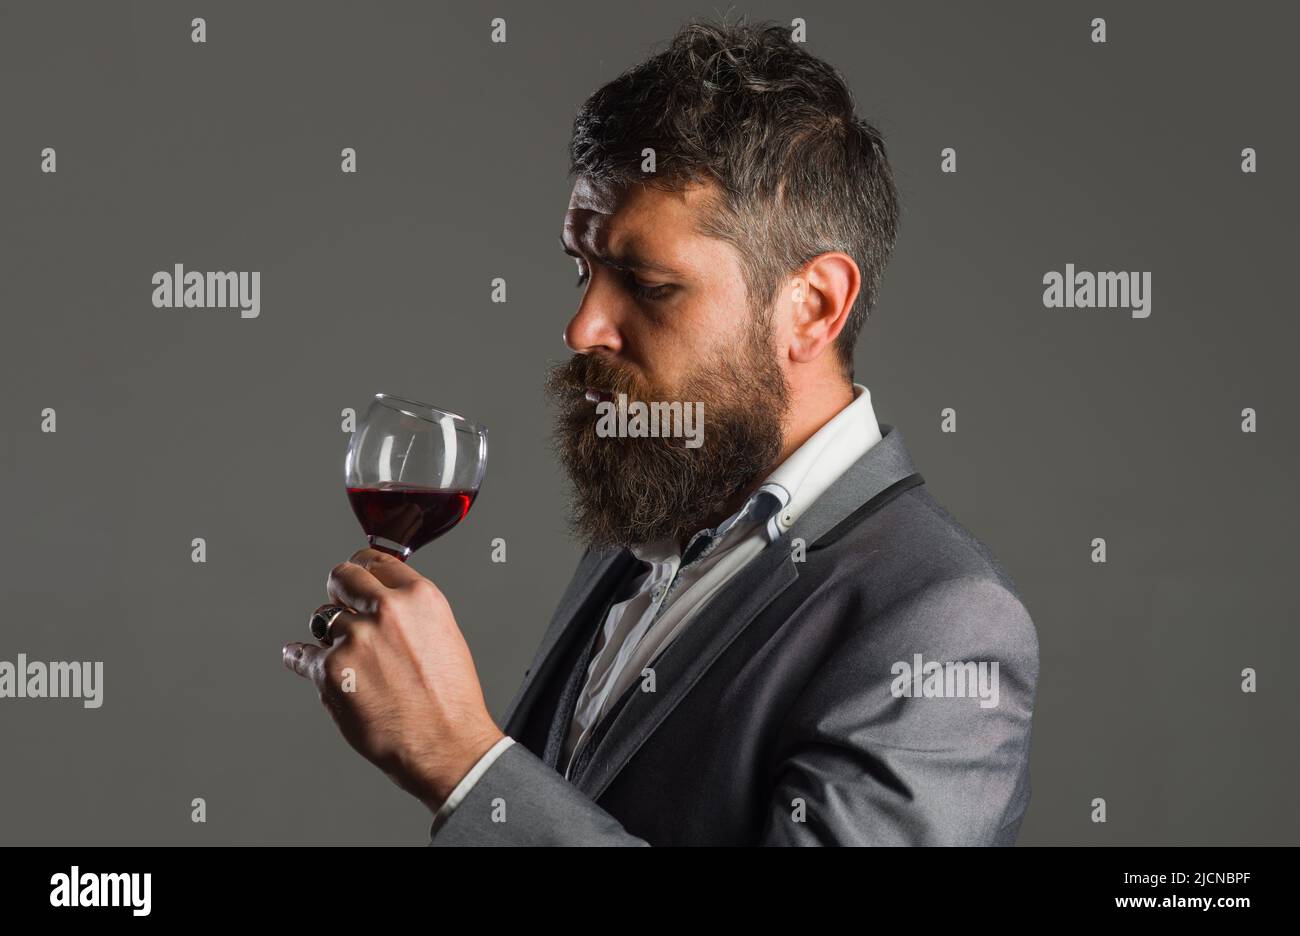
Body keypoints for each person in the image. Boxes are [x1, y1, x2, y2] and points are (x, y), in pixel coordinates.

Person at [283, 17, 1039, 846]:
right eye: (582, 268)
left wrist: (463, 763)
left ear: (814, 307)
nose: (581, 327)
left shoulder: (945, 622)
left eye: (646, 285)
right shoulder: (652, 521)